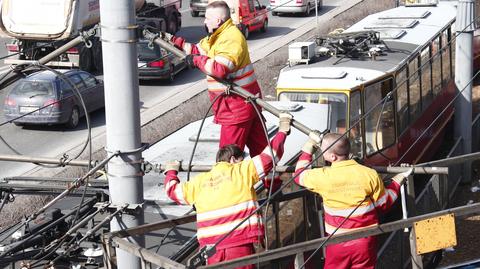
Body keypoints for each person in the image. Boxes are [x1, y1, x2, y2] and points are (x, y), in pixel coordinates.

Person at [163, 113, 292, 268]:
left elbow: (173, 191)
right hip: (238, 245)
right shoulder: (241, 171)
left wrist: (171, 171)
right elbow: (270, 156)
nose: (242, 163)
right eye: (240, 160)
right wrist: (282, 131)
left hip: (210, 250)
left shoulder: (198, 182)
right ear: (232, 160)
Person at [160, 1, 267, 157]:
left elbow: (219, 69)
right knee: (262, 154)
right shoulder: (218, 36)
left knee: (227, 161)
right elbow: (197, 50)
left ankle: (237, 181)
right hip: (244, 105)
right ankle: (272, 180)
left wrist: (196, 60)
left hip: (236, 108)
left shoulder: (231, 38)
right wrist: (172, 40)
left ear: (217, 21)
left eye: (207, 18)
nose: (204, 21)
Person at [293, 132, 413, 269]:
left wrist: (309, 146)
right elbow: (384, 204)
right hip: (365, 241)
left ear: (332, 156)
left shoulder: (323, 177)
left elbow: (299, 175)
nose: (321, 152)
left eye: (323, 150)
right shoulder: (369, 174)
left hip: (337, 242)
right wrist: (397, 181)